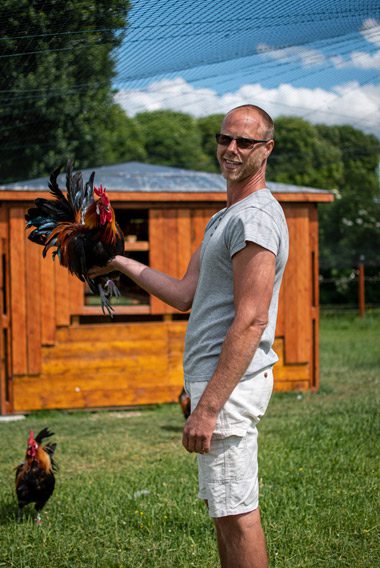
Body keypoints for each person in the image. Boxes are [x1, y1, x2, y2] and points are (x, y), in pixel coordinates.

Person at [89, 104, 289, 568]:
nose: (232, 149)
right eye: (225, 139)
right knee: (224, 509)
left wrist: (210, 407)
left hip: (230, 387)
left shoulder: (255, 217)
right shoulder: (225, 218)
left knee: (237, 513)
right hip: (215, 382)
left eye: (245, 142)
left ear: (267, 149)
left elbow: (252, 319)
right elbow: (183, 295)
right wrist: (119, 261)